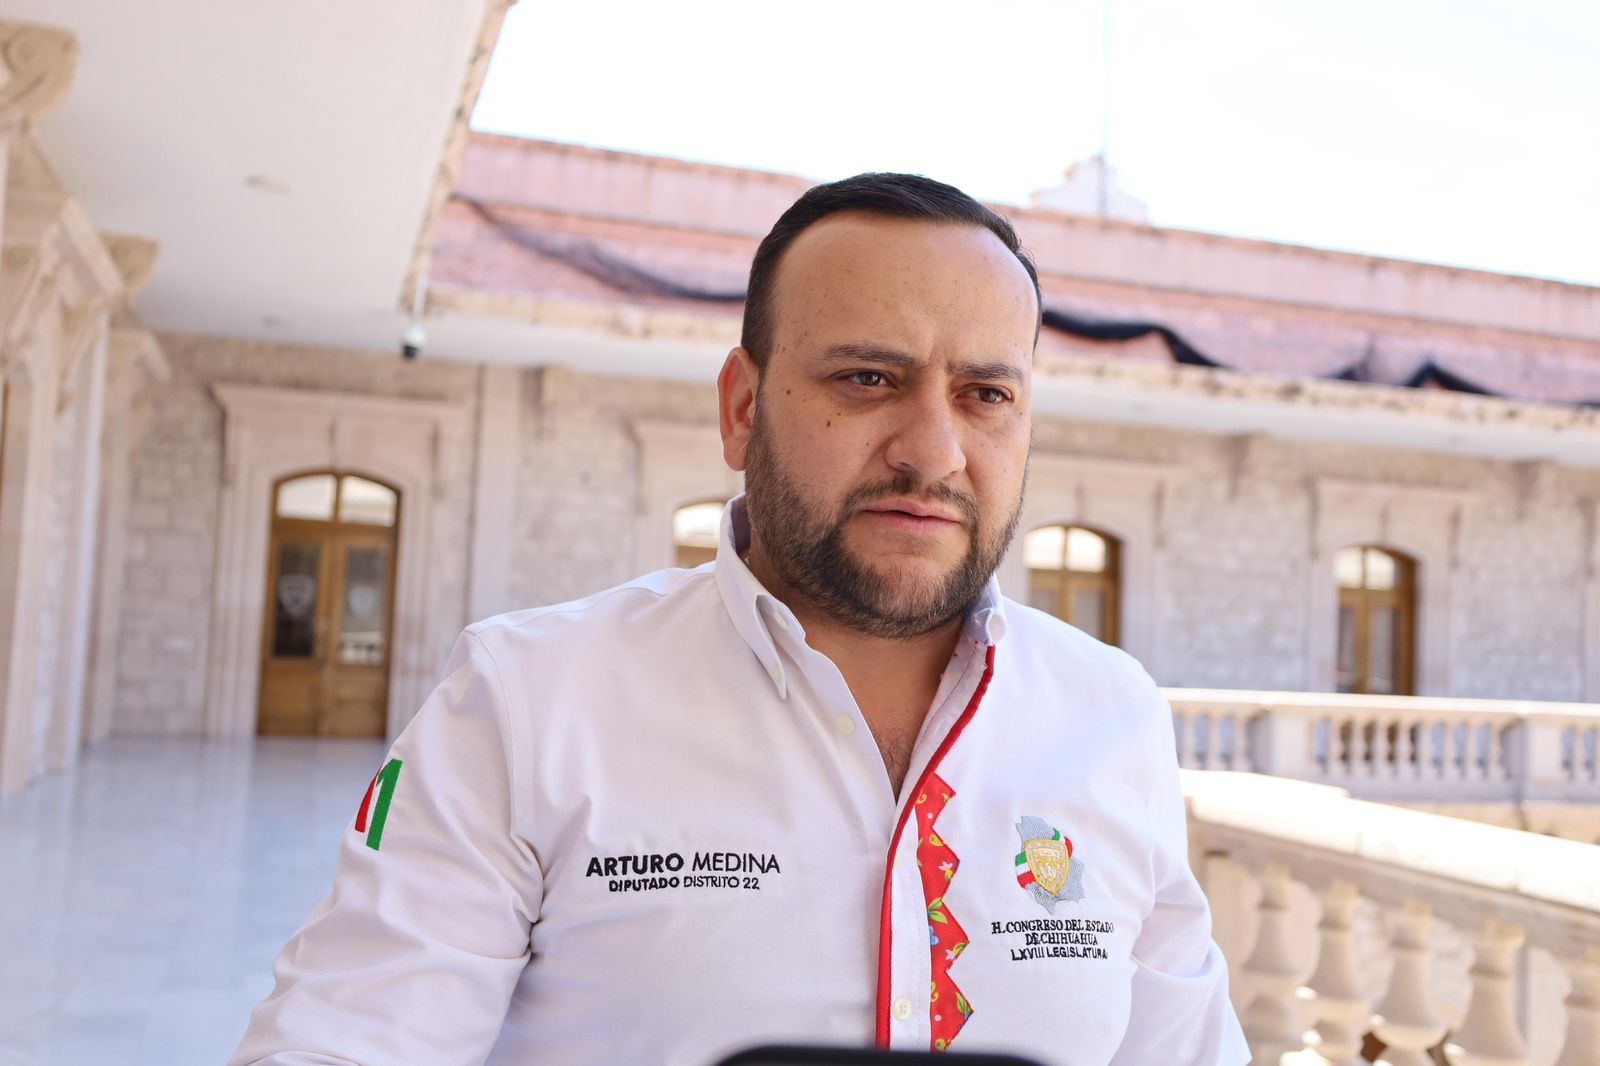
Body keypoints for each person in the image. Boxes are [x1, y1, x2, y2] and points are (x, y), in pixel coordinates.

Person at [230, 173, 1250, 1066]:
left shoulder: (1112, 716)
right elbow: (343, 1039)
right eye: (868, 379)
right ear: (741, 408)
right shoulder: (527, 700)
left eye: (985, 394)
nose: (934, 451)